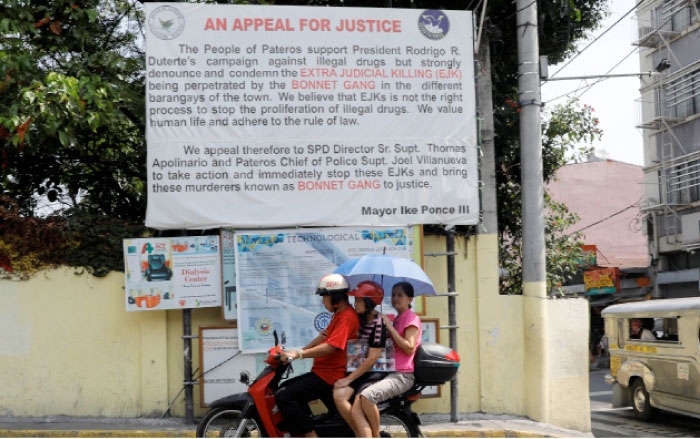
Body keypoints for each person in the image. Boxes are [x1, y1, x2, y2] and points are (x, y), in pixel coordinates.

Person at [275, 274, 360, 438]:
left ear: (335, 296)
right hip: (322, 373)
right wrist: (294, 352)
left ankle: (310, 435)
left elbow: (330, 348)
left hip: (329, 377)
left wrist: (299, 354)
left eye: (324, 296)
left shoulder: (346, 317)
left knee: (284, 396)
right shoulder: (339, 315)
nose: (322, 301)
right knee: (285, 390)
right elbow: (323, 338)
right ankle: (307, 426)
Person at [352, 281, 422, 438]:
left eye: (400, 295)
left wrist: (389, 327)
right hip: (389, 372)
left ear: (410, 299)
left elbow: (409, 347)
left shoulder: (411, 318)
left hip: (402, 375)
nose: (396, 298)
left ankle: (375, 435)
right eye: (394, 294)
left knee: (367, 396)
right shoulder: (397, 318)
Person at [332, 281, 388, 436]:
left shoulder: (379, 324)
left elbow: (372, 358)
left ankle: (372, 435)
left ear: (369, 302)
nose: (354, 303)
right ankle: (360, 433)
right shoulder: (360, 319)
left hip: (374, 373)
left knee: (357, 411)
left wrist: (348, 379)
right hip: (360, 371)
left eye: (358, 300)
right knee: (339, 395)